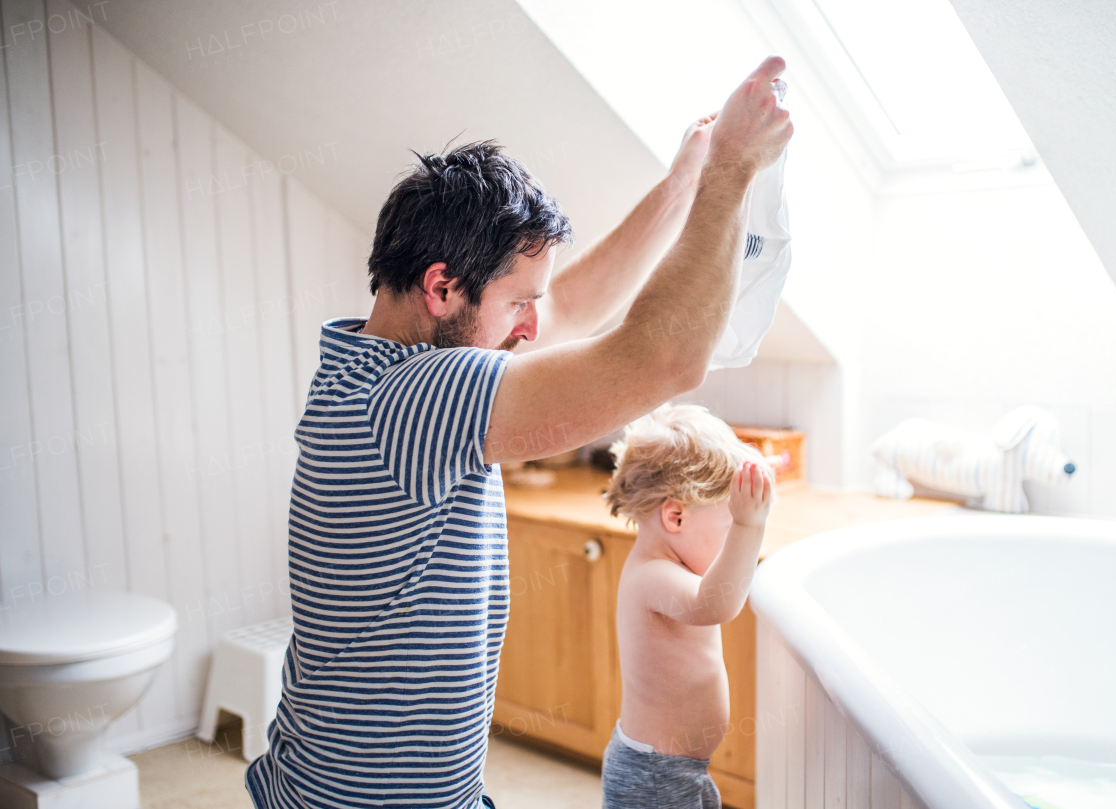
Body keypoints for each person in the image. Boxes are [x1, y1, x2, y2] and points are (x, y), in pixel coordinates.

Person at [245, 57, 792, 809]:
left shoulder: (364, 366)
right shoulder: (415, 398)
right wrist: (733, 170)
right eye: (517, 304)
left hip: (337, 779)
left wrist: (680, 190)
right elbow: (663, 357)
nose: (533, 327)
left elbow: (567, 305)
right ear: (441, 288)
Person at [601, 405, 774, 808]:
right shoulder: (651, 576)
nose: (735, 540)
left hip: (674, 769)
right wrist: (749, 525)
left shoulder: (667, 568)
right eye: (728, 528)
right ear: (676, 517)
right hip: (655, 775)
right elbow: (716, 605)